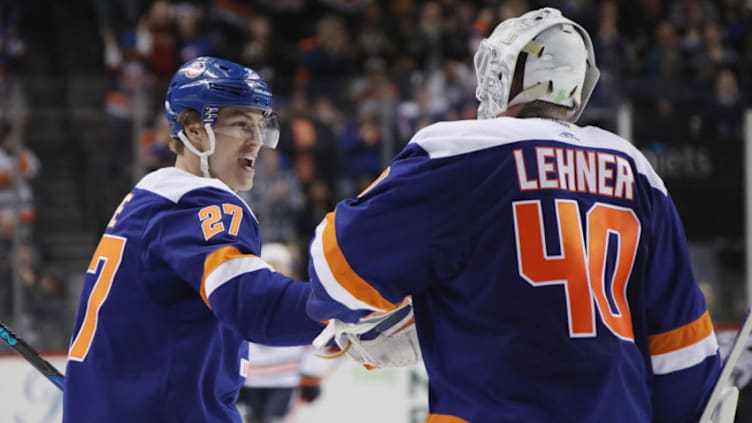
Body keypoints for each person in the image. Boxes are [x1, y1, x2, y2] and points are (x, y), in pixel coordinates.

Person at [305, 8, 721, 423]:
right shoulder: (636, 170)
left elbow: (335, 274)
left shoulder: (462, 150)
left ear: (508, 74)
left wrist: (426, 302)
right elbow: (683, 351)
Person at [63, 56, 324, 423]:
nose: (256, 142)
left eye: (259, 126)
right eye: (240, 124)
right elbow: (255, 305)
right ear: (194, 129)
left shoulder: (144, 202)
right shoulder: (198, 203)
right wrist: (346, 305)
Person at [239, 242, 336, 423]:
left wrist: (311, 376)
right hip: (252, 379)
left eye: (279, 265)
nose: (275, 270)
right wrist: (235, 376)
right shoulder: (246, 303)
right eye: (270, 265)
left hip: (285, 379)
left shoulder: (299, 301)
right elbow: (235, 340)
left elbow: (313, 341)